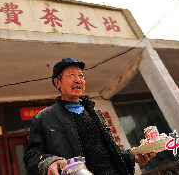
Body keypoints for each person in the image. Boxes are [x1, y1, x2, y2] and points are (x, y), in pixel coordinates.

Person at [24, 58, 156, 175]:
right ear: (57, 83)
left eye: (81, 76)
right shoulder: (43, 118)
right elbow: (32, 157)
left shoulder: (95, 114)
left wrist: (134, 156)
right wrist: (48, 162)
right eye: (71, 75)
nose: (78, 80)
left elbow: (108, 152)